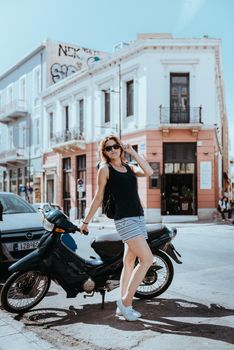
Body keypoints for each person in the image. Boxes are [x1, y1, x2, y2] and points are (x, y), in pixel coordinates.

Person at [80, 135, 154, 321]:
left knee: (129, 262)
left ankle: (122, 307)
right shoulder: (105, 169)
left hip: (138, 217)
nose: (112, 150)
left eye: (115, 147)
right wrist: (86, 221)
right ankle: (126, 302)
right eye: (108, 148)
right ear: (104, 152)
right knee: (147, 259)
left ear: (120, 148)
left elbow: (149, 171)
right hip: (124, 220)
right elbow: (98, 197)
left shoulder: (129, 168)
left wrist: (132, 152)